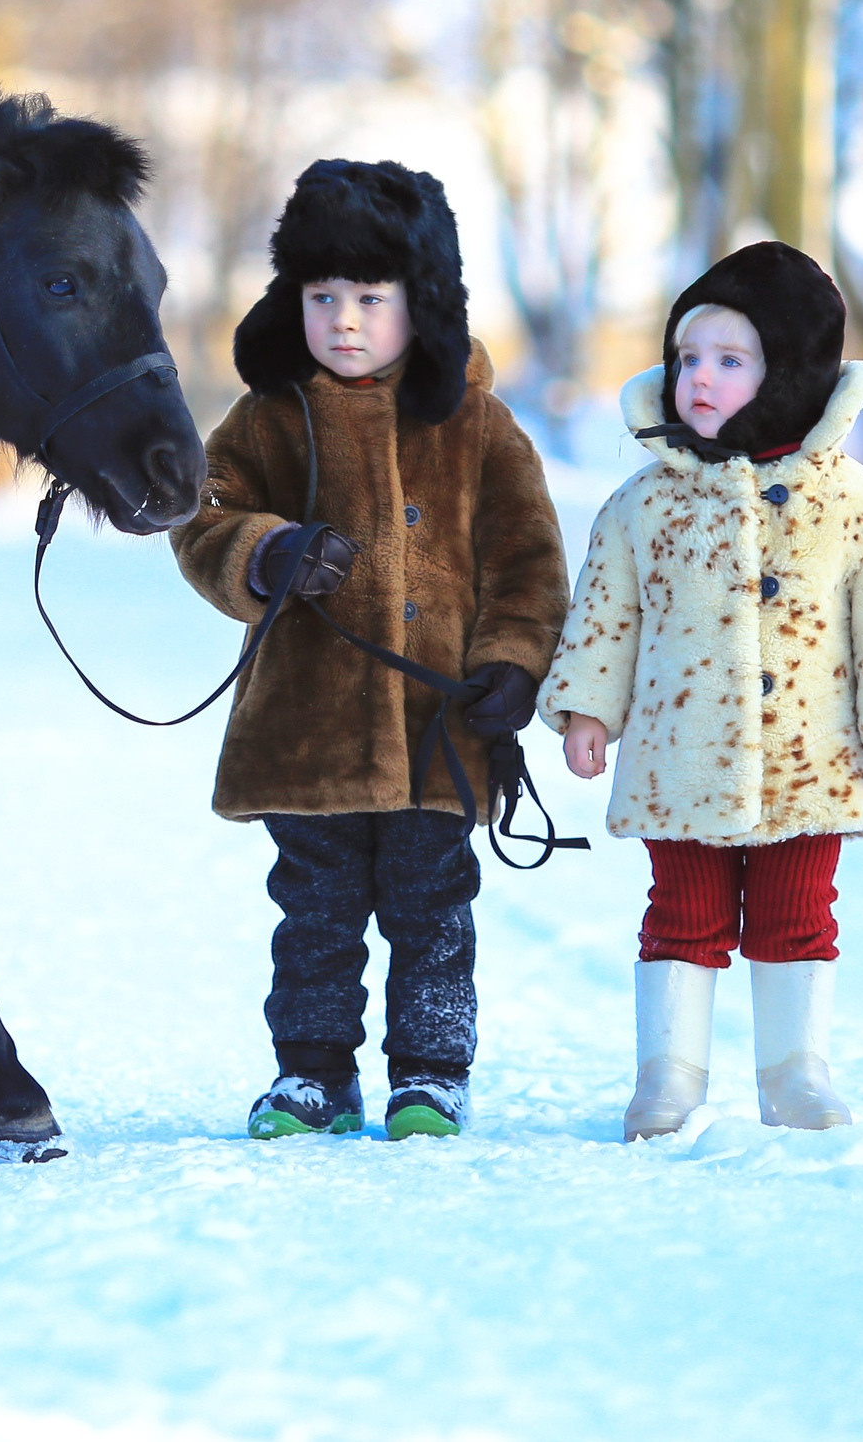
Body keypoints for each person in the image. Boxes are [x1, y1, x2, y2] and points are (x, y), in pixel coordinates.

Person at [171, 160, 568, 1141]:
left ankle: (431, 1072)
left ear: (419, 301)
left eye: (369, 297)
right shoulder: (269, 414)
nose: (343, 320)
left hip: (439, 730)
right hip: (306, 735)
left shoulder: (475, 421)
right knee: (314, 915)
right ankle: (311, 1074)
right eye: (321, 297)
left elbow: (528, 556)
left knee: (432, 910)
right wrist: (265, 550)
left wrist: (512, 665)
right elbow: (201, 513)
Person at [539, 242, 863, 1140]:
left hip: (813, 756)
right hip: (680, 758)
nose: (700, 378)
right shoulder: (644, 503)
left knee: (798, 913)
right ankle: (669, 1074)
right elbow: (608, 614)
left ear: (792, 372)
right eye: (688, 358)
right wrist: (586, 708)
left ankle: (795, 1070)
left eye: (731, 360)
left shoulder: (862, 506)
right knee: (683, 911)